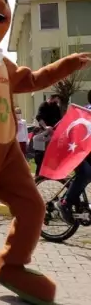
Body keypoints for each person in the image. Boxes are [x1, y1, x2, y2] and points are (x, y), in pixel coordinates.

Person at [56, 90, 91, 224]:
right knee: (86, 173)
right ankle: (65, 203)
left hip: (87, 152)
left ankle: (78, 200)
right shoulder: (85, 112)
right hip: (74, 150)